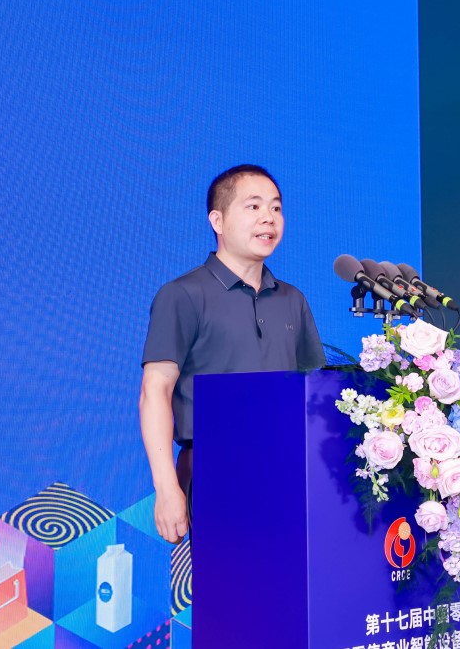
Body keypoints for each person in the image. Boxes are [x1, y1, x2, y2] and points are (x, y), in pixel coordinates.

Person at [139, 165, 325, 545]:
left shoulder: (293, 299)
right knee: (236, 581)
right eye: (253, 207)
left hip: (289, 470)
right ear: (218, 221)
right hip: (215, 471)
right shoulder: (183, 295)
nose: (268, 218)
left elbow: (316, 393)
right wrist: (167, 487)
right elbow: (154, 390)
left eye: (276, 208)